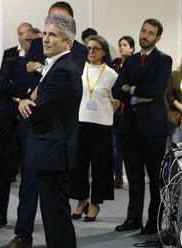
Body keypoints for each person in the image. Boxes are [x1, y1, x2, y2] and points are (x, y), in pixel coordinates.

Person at [1, 2, 84, 248]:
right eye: (45, 34)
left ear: (67, 42)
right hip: (49, 149)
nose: (45, 40)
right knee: (53, 218)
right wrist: (29, 98)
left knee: (56, 219)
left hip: (53, 151)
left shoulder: (63, 69)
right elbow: (35, 96)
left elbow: (36, 111)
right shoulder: (57, 65)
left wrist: (26, 102)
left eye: (52, 35)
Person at [112, 18, 172, 234]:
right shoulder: (129, 61)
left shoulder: (164, 61)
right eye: (143, 31)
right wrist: (136, 96)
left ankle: (154, 221)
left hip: (153, 129)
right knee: (134, 177)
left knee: (155, 178)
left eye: (150, 33)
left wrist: (132, 89)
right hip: (130, 127)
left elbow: (155, 91)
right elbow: (116, 90)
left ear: (158, 37)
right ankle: (133, 218)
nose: (145, 35)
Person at [0, 27, 41, 231]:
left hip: (31, 126)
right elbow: (3, 88)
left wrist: (19, 93)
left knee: (28, 176)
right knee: (2, 172)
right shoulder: (10, 59)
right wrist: (25, 95)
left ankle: (23, 221)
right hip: (8, 124)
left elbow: (41, 91)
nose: (33, 44)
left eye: (37, 41)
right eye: (30, 40)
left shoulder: (42, 66)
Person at [69, 35, 117, 222]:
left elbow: (116, 101)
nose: (91, 52)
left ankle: (95, 203)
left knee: (100, 166)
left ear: (104, 51)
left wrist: (103, 113)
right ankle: (82, 200)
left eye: (95, 48)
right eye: (88, 48)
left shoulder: (111, 74)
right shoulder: (79, 69)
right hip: (79, 122)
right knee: (78, 166)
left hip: (101, 125)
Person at [111, 35, 135, 188]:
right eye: (120, 45)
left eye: (125, 45)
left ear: (132, 48)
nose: (122, 47)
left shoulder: (137, 64)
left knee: (130, 146)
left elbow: (133, 87)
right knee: (115, 145)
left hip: (131, 110)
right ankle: (117, 176)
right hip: (115, 109)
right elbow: (115, 87)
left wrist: (125, 89)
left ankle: (132, 176)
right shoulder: (115, 64)